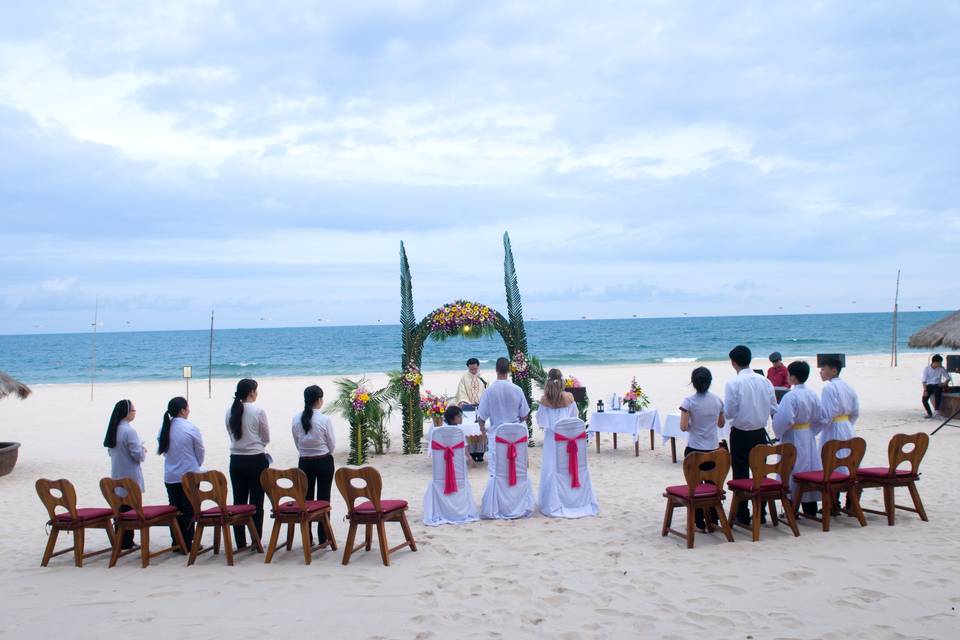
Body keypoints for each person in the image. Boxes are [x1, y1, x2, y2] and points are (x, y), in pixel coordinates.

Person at [724, 345, 778, 526]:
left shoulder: (733, 383)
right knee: (759, 472)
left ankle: (743, 513)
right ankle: (760, 512)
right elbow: (773, 407)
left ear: (733, 363)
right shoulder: (765, 381)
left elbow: (730, 412)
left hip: (740, 433)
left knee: (740, 472)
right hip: (760, 433)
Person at [771, 361, 822, 517]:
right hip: (807, 434)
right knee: (808, 467)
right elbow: (819, 418)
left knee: (792, 469)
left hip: (793, 436)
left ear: (792, 377)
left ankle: (792, 507)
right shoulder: (812, 394)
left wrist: (778, 432)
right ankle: (809, 507)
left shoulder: (790, 396)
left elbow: (785, 420)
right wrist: (810, 431)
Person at [226, 378, 270, 550]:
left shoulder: (229, 411)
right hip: (256, 459)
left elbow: (230, 434)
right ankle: (256, 541)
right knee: (257, 502)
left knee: (239, 500)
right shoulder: (258, 410)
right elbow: (266, 437)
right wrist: (256, 443)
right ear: (251, 392)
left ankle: (240, 541)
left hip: (236, 459)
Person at [679, 367, 725, 531]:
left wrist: (693, 424)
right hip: (713, 448)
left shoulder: (689, 402)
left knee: (695, 485)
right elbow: (721, 423)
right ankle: (714, 518)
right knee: (712, 484)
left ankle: (699, 521)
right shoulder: (718, 401)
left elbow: (683, 427)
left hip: (695, 448)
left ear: (693, 383)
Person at [157, 396, 204, 553]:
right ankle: (188, 542)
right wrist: (197, 464)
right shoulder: (190, 427)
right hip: (188, 473)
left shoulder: (165, 428)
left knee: (175, 509)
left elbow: (164, 451)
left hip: (170, 475)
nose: (189, 411)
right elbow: (200, 451)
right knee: (189, 508)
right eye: (187, 408)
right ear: (183, 410)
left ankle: (176, 541)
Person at [292, 385, 335, 544]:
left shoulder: (296, 418)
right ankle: (323, 537)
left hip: (304, 462)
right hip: (323, 460)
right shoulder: (324, 419)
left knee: (306, 500)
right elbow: (331, 444)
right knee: (324, 499)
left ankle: (307, 537)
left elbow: (297, 442)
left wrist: (306, 451)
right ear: (319, 400)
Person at [103, 399, 146, 550]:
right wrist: (142, 450)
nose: (134, 413)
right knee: (130, 507)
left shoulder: (114, 429)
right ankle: (126, 541)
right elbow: (137, 455)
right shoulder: (129, 431)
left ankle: (122, 539)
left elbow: (110, 451)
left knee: (121, 507)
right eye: (133, 410)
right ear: (127, 413)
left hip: (117, 472)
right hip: (130, 474)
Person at [477, 356, 530, 476]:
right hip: (515, 436)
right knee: (516, 468)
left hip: (497, 436)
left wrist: (483, 429)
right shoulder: (517, 390)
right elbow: (524, 415)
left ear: (496, 370)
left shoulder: (489, 391)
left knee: (496, 471)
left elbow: (481, 417)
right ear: (509, 370)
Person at [536, 369, 578, 508]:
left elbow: (541, 421)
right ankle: (567, 496)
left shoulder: (544, 399)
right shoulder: (569, 397)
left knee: (550, 466)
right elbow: (574, 418)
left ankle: (550, 498)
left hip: (551, 439)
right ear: (562, 381)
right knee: (565, 467)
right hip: (566, 438)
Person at [921, 354, 952, 418]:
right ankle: (929, 413)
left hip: (937, 385)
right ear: (935, 362)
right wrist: (925, 390)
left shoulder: (941, 368)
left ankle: (936, 411)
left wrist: (944, 383)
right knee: (924, 400)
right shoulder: (927, 369)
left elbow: (948, 378)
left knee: (937, 392)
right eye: (940, 362)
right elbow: (924, 381)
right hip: (928, 386)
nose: (941, 364)